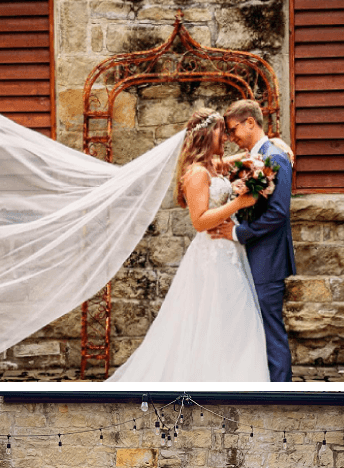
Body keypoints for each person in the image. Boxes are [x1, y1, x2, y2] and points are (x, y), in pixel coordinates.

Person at [106, 108, 270, 381]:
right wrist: (239, 203)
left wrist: (270, 149)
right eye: (221, 131)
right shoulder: (196, 173)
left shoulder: (210, 166)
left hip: (228, 249)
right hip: (212, 254)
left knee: (230, 315)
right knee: (218, 314)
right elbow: (200, 221)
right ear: (207, 134)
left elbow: (236, 159)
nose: (227, 137)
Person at [210, 100, 296, 382]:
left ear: (250, 122)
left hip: (267, 260)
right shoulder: (256, 157)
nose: (231, 137)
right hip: (250, 257)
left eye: (233, 130)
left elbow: (278, 213)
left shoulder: (275, 158)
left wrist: (237, 233)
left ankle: (282, 392)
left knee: (271, 330)